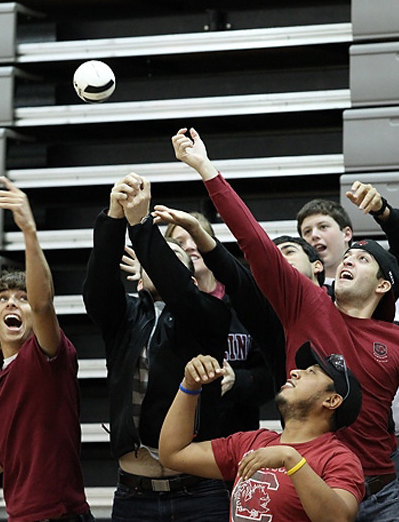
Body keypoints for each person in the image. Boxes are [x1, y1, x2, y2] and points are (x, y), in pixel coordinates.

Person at [171, 127, 399, 522]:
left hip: (380, 494)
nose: (347, 261)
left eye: (361, 259)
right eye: (348, 257)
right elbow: (254, 241)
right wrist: (205, 168)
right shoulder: (306, 303)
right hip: (312, 490)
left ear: (383, 285)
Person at [298, 194, 399, 521]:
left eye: (323, 227)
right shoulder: (312, 298)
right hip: (340, 437)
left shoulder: (392, 274)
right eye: (306, 232)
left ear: (347, 234)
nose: (314, 236)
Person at [82, 173, 231, 521]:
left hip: (200, 492)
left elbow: (180, 292)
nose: (158, 262)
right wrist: (114, 218)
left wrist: (142, 225)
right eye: (154, 257)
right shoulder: (125, 316)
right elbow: (98, 287)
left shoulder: (209, 312)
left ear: (191, 278)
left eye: (171, 255)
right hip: (134, 495)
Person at [0, 177, 92, 522]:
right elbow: (15, 441)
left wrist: (29, 231)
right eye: (4, 299)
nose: (13, 303)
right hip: (23, 514)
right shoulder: (2, 367)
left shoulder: (45, 355)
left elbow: (43, 305)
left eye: (22, 298)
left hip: (58, 515)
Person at [159, 344, 365, 522]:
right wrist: (190, 385)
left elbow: (339, 518)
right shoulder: (254, 441)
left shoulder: (339, 459)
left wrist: (291, 460)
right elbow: (173, 454)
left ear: (331, 400)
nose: (295, 372)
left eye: (311, 372)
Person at [163, 214, 276, 437]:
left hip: (238, 436)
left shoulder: (243, 303)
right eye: (180, 242)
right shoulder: (164, 309)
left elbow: (271, 376)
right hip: (181, 437)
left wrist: (238, 380)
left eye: (195, 237)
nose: (190, 247)